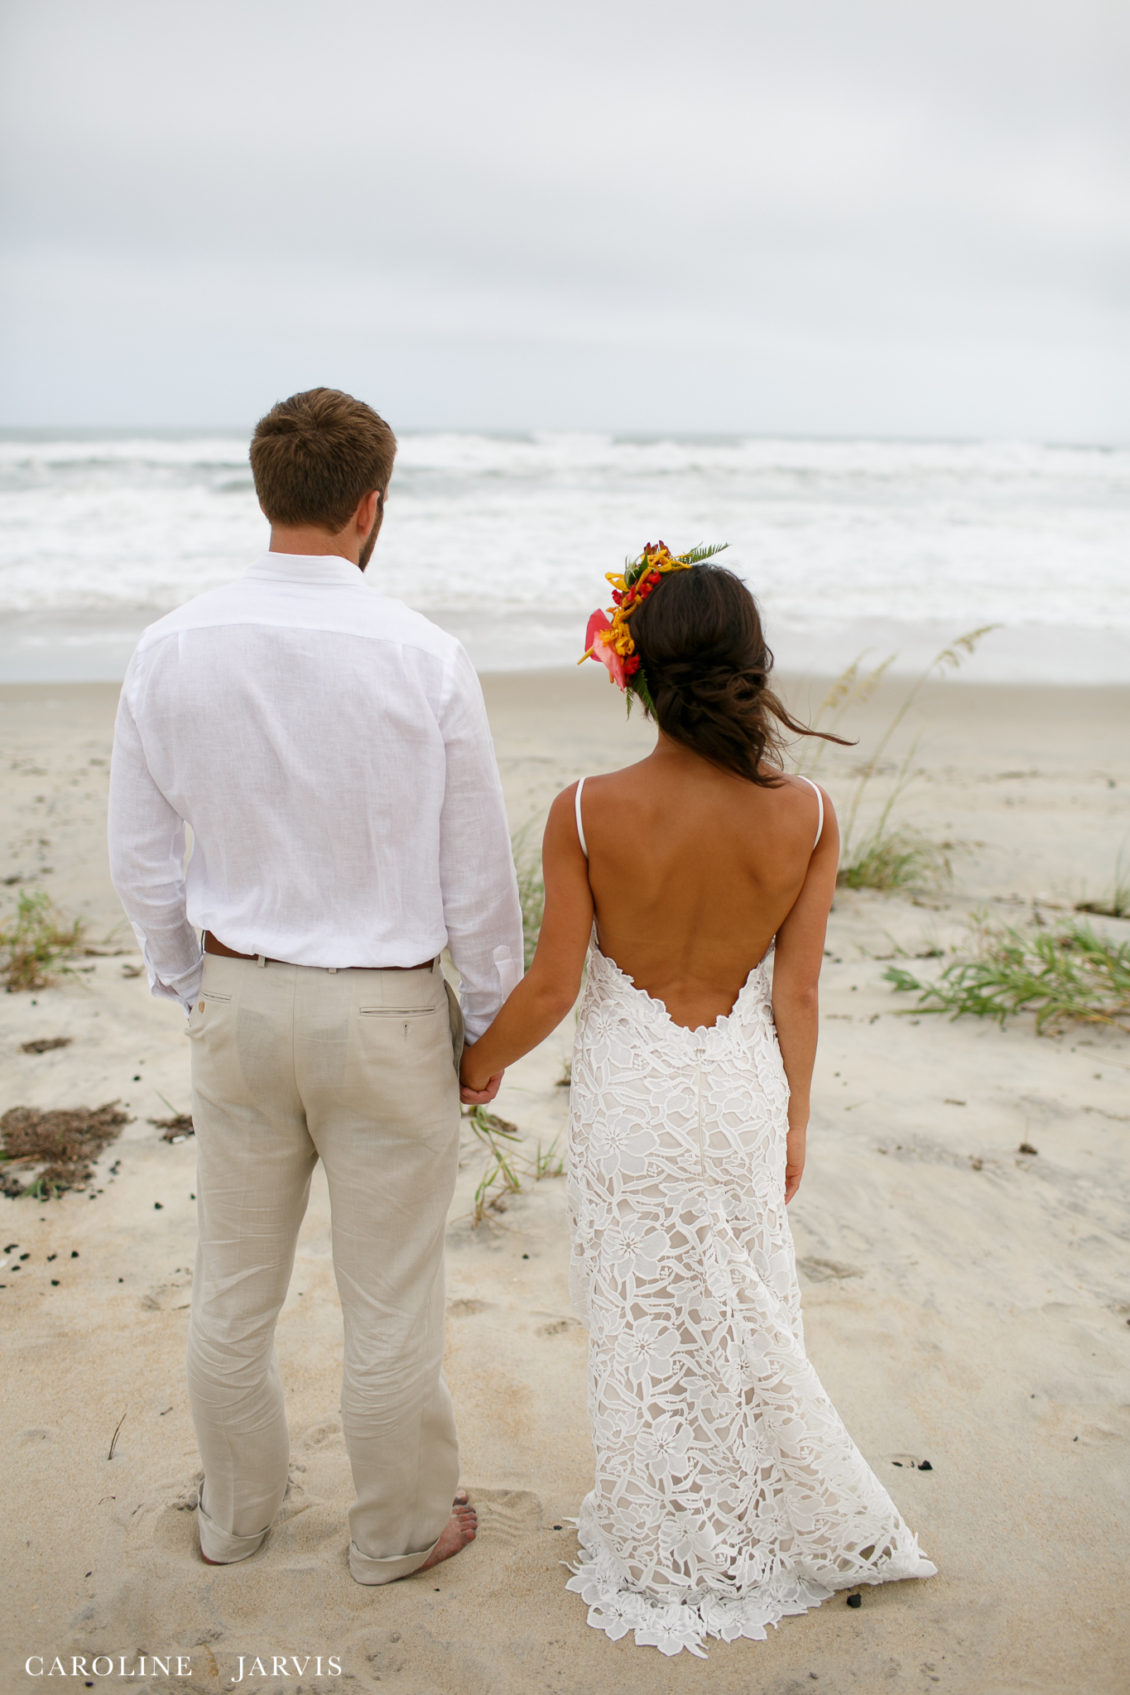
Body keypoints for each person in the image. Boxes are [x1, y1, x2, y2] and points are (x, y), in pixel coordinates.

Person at [458, 544, 936, 1655]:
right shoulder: (807, 816)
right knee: (743, 1315)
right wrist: (795, 1118)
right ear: (750, 668)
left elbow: (550, 984)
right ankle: (758, 1521)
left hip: (629, 1105)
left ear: (635, 670)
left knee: (640, 1326)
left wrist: (475, 1064)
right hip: (735, 1098)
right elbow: (799, 993)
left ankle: (665, 1537)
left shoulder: (583, 812)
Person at [107, 387, 522, 1583]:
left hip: (240, 1001)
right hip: (386, 1011)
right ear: (370, 506)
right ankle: (392, 1535)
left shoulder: (171, 645)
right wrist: (486, 1024)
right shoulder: (426, 657)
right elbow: (474, 876)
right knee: (389, 1296)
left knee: (231, 1284)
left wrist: (192, 979)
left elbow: (141, 855)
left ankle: (233, 1522)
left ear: (265, 492)